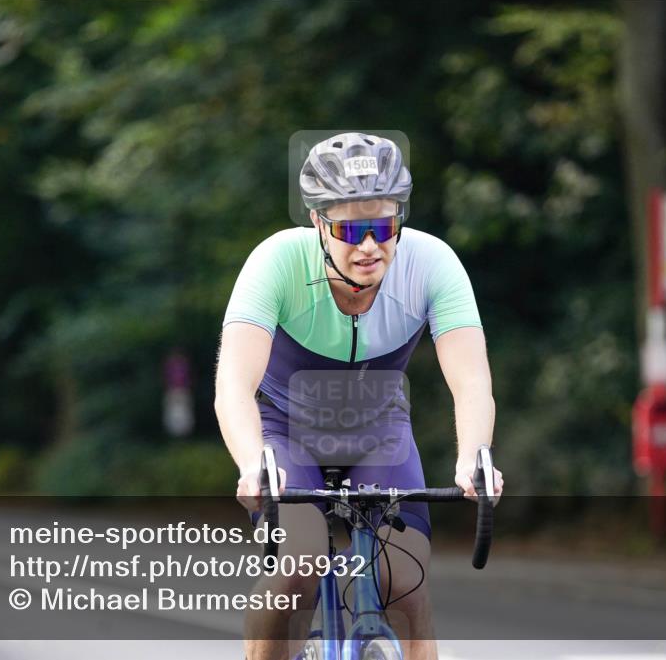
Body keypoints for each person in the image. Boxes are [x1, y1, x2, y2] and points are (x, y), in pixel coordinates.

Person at [215, 132, 503, 660]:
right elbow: (234, 382)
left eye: (384, 226)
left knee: (406, 584)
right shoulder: (276, 261)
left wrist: (473, 457)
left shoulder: (432, 264)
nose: (369, 245)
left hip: (378, 429)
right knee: (296, 569)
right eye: (351, 228)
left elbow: (472, 380)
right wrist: (253, 463)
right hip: (285, 430)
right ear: (319, 223)